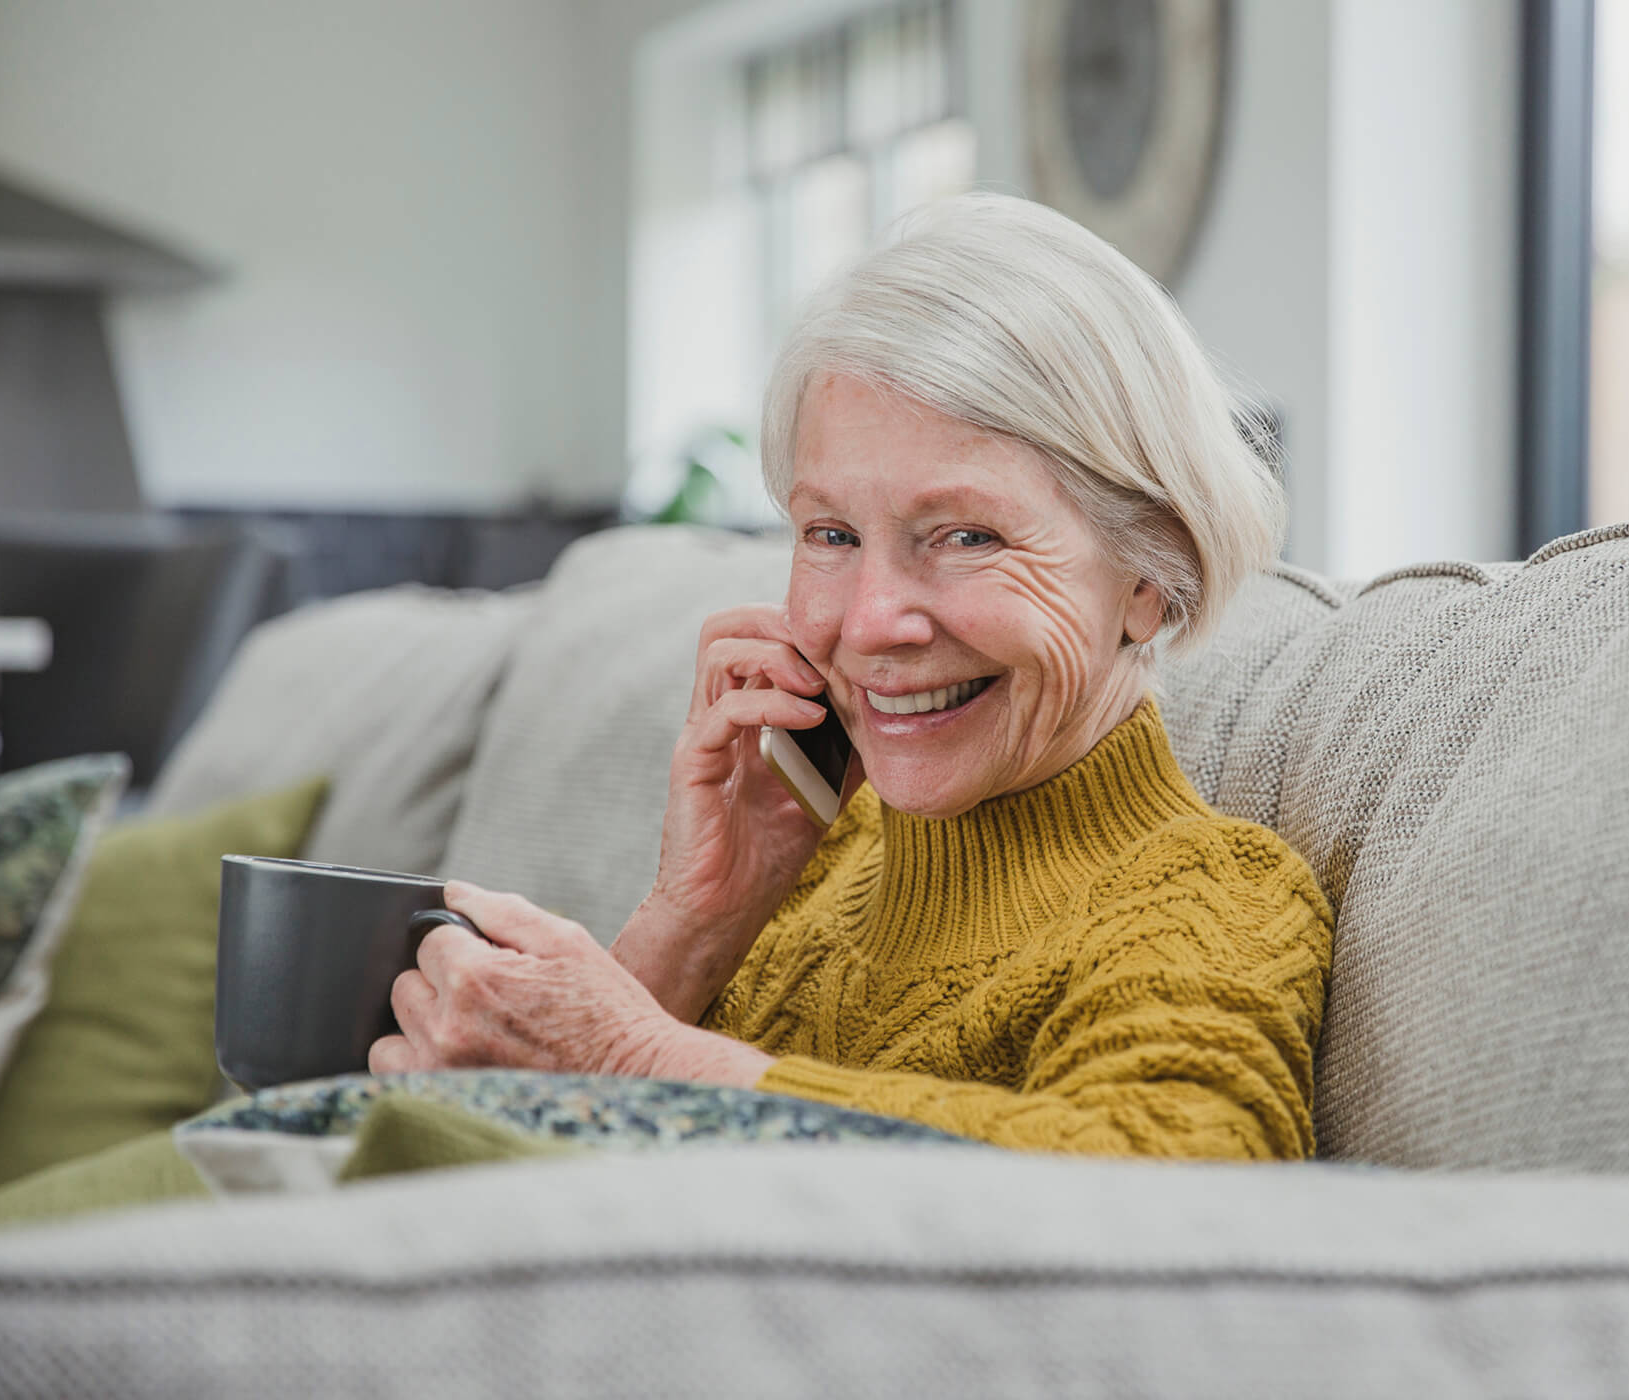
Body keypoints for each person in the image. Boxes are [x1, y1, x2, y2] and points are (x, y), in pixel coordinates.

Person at [370, 194, 1334, 1159]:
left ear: (1151, 578)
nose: (869, 624)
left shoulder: (1212, 897)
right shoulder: (812, 854)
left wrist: (634, 1053)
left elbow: (1183, 1190)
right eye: (830, 534)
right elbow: (538, 1211)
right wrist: (693, 923)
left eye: (966, 536)